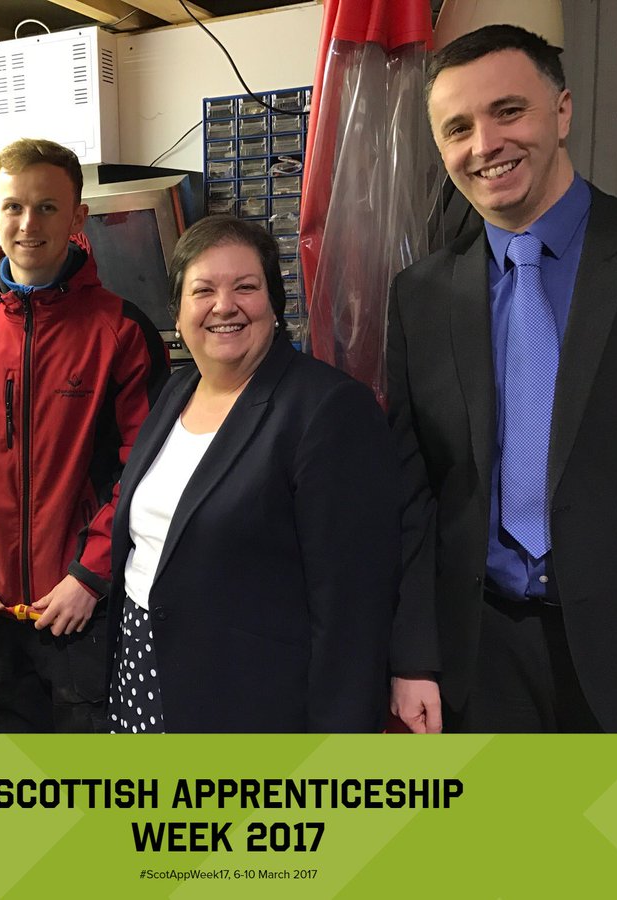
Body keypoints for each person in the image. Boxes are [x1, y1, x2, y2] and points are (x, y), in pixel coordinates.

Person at [388, 24, 617, 733]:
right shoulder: (419, 296)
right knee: (509, 849)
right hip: (483, 660)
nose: (484, 145)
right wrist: (413, 655)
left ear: (561, 112)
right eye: (457, 128)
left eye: (508, 111)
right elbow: (415, 494)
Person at [106, 216, 400, 733]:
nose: (224, 306)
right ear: (178, 312)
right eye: (203, 290)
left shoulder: (327, 409)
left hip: (250, 703)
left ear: (274, 305)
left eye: (246, 287)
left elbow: (352, 605)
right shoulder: (176, 393)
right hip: (144, 671)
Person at [0, 137, 169, 733]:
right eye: (13, 207)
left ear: (78, 216)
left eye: (48, 207)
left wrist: (90, 576)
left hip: (85, 609)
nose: (28, 223)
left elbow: (146, 473)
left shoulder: (121, 330)